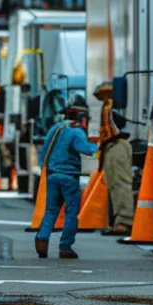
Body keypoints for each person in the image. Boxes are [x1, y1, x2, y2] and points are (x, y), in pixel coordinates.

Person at [36, 99, 99, 259]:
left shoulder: (55, 128)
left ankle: (42, 241)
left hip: (52, 175)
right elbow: (83, 148)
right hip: (69, 177)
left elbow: (44, 151)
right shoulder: (75, 130)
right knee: (71, 212)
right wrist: (99, 146)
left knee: (50, 211)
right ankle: (65, 246)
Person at [98, 109, 137, 235]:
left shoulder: (108, 109)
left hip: (116, 144)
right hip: (112, 145)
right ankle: (120, 220)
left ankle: (125, 222)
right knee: (114, 184)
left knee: (120, 183)